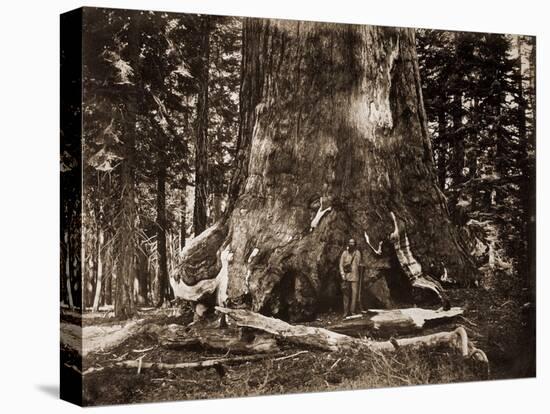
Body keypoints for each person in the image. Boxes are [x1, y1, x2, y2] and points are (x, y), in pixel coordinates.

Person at [339, 238, 361, 317]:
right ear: (348, 243)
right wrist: (342, 274)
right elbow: (341, 265)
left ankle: (352, 311)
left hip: (355, 276)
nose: (351, 244)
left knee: (354, 294)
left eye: (353, 243)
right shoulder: (344, 253)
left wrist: (355, 254)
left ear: (355, 244)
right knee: (346, 295)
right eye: (350, 242)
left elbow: (358, 263)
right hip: (346, 277)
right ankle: (345, 312)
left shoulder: (357, 252)